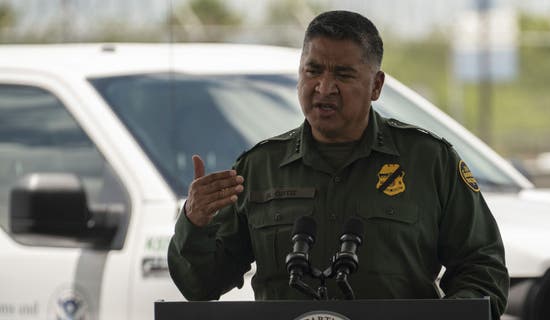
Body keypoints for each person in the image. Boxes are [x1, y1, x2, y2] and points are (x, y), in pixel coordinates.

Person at [168, 10, 509, 319]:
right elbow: (200, 285)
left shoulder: (429, 161)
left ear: (376, 86)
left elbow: (482, 269)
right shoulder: (259, 168)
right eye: (313, 71)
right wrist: (194, 222)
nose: (324, 87)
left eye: (343, 75)